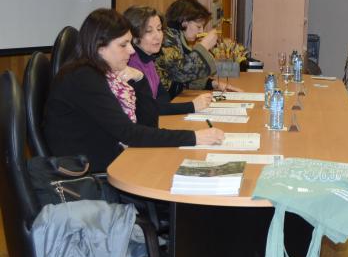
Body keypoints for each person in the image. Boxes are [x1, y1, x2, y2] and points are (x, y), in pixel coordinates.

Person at [44, 9, 224, 173]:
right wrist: (194, 137)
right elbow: (130, 133)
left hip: (113, 158)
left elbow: (148, 123)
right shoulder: (85, 78)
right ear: (100, 47)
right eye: (123, 45)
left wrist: (140, 79)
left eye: (130, 43)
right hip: (94, 172)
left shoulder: (103, 74)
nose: (131, 51)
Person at [123, 6, 213, 126]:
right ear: (133, 36)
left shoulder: (149, 59)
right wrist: (191, 106)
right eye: (149, 31)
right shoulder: (131, 65)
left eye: (159, 29)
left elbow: (163, 98)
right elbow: (149, 109)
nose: (158, 36)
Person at [156, 0, 240, 98]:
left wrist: (212, 84)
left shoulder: (175, 37)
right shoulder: (166, 40)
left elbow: (182, 77)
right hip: (162, 103)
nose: (201, 32)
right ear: (184, 21)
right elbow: (180, 74)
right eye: (198, 27)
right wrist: (204, 46)